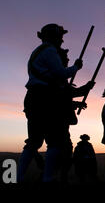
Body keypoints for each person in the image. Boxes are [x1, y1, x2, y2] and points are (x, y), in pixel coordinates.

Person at [17, 23, 94, 183]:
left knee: (34, 141)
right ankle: (48, 178)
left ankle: (18, 177)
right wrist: (76, 67)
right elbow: (60, 74)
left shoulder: (36, 53)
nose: (62, 40)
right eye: (60, 36)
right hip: (46, 98)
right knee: (54, 142)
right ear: (53, 36)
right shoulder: (50, 51)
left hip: (33, 98)